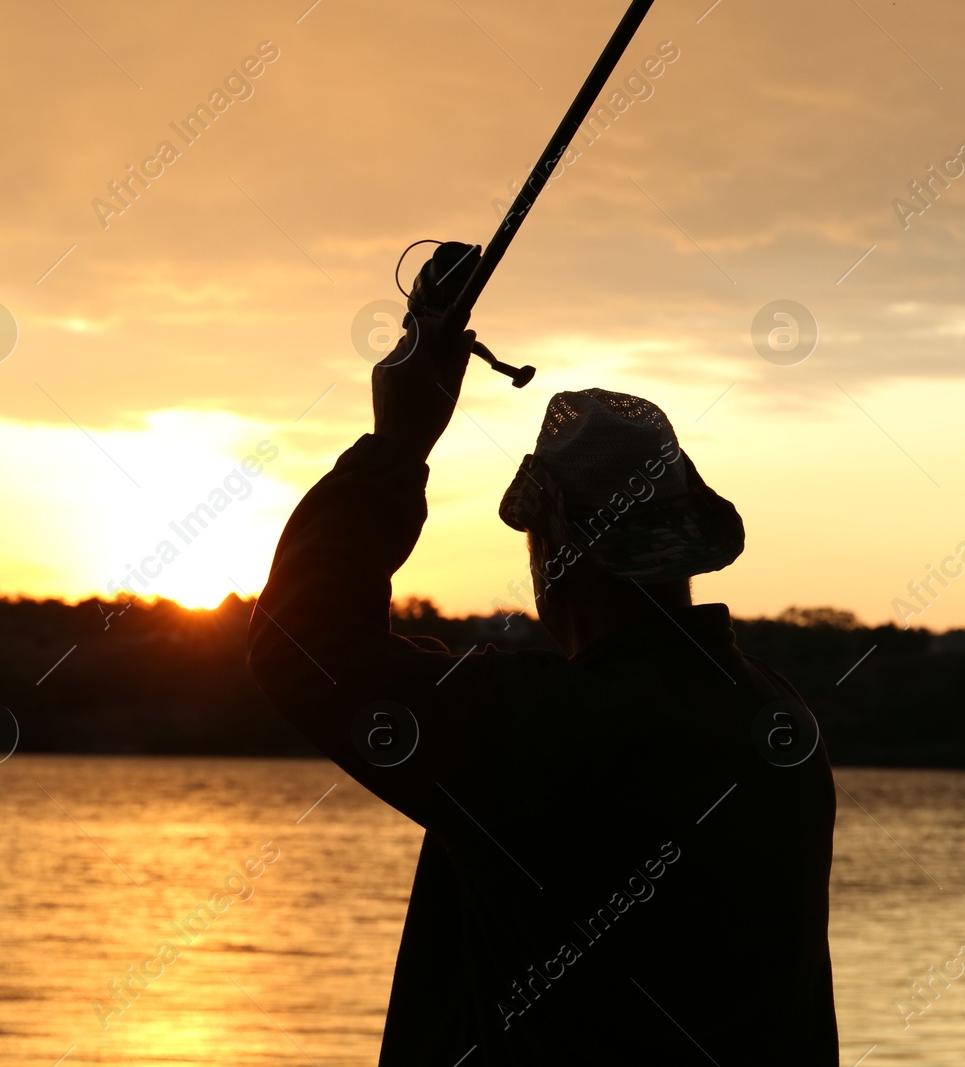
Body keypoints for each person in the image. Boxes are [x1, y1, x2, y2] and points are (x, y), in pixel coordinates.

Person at [247, 311, 839, 1064]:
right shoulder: (775, 720)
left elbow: (306, 644)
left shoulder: (549, 731)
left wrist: (397, 442)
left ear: (551, 549)